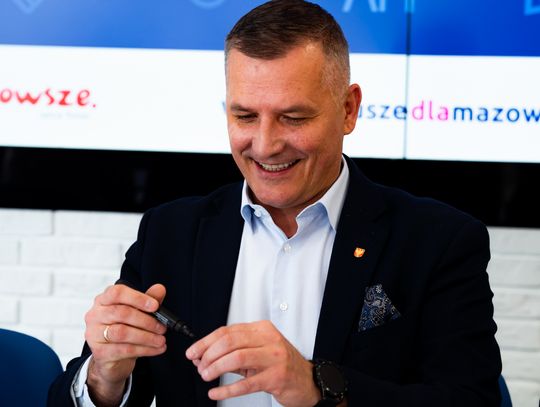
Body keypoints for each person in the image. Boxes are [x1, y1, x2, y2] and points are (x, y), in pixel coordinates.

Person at [48, 1, 502, 406]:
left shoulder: (438, 241)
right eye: (245, 116)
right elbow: (85, 392)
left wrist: (318, 386)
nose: (265, 146)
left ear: (348, 110)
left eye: (293, 117)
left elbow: (471, 399)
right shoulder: (170, 232)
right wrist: (105, 376)